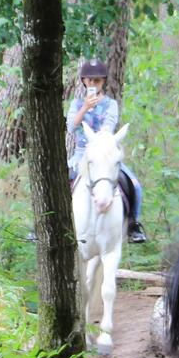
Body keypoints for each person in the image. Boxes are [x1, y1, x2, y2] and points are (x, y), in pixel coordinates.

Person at [66, 59, 147, 243]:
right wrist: (86, 107)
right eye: (90, 80)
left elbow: (108, 128)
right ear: (84, 81)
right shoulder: (77, 104)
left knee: (134, 184)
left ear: (103, 82)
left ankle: (133, 224)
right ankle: (47, 224)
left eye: (98, 81)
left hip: (104, 153)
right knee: (55, 180)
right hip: (81, 154)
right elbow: (71, 127)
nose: (93, 84)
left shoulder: (111, 104)